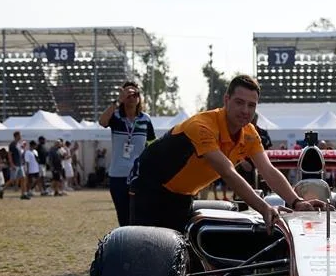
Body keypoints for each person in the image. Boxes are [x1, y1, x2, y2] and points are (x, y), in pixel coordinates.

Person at [128, 75, 325, 232]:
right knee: (146, 251)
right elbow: (228, 172)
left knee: (179, 253)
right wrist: (264, 207)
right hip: (149, 187)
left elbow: (268, 170)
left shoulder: (249, 133)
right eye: (239, 102)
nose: (245, 110)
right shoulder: (202, 126)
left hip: (183, 194)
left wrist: (296, 202)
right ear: (226, 100)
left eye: (251, 105)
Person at [98, 81, 156, 226]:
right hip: (118, 175)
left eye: (135, 94)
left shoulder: (145, 119)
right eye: (128, 94)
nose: (132, 97)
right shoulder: (116, 117)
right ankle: (126, 245)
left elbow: (151, 145)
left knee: (139, 214)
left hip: (139, 176)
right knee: (123, 216)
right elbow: (102, 122)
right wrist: (117, 101)